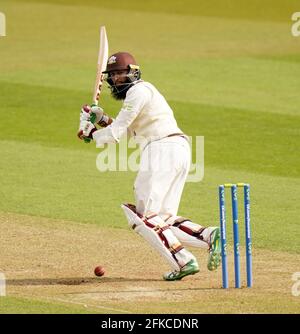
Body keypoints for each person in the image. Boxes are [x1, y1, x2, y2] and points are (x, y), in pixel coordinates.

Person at [77, 52, 221, 281]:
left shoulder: (138, 91)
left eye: (120, 73)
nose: (116, 79)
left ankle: (183, 261)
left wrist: (90, 133)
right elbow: (124, 129)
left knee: (142, 217)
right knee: (162, 218)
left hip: (162, 150)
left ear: (133, 72)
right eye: (112, 75)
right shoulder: (139, 94)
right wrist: (101, 118)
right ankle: (207, 236)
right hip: (177, 149)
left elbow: (114, 135)